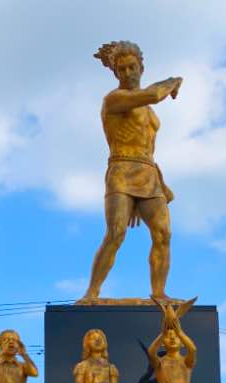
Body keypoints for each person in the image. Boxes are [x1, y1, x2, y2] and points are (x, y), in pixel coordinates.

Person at [79, 41, 183, 303]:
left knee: (163, 234)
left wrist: (161, 182)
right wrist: (173, 81)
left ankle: (159, 293)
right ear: (116, 73)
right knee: (116, 233)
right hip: (122, 171)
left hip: (149, 174)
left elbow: (150, 148)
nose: (128, 73)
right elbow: (154, 95)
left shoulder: (147, 111)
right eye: (122, 69)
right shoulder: (115, 100)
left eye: (132, 67)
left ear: (141, 67)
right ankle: (92, 293)